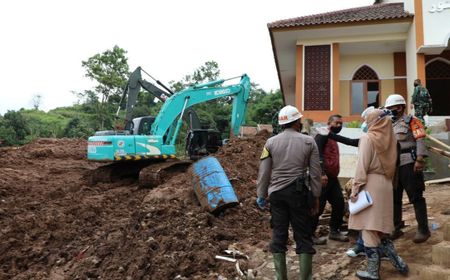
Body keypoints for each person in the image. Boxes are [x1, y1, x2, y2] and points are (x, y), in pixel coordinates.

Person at [256, 105, 321, 280]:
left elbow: (264, 172)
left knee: (279, 234)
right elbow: (315, 174)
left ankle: (280, 277)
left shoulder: (270, 142)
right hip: (298, 194)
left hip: (276, 195)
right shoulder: (309, 142)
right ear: (298, 122)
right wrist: (315, 196)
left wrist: (261, 195)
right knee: (303, 235)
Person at [349, 108, 408, 279]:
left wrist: (355, 189)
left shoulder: (368, 138)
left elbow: (362, 166)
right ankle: (399, 263)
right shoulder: (391, 140)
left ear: (373, 121)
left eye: (368, 120)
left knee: (368, 227)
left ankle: (373, 272)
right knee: (379, 228)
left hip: (370, 184)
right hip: (386, 185)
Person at [385, 94, 431, 243]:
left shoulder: (412, 121)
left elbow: (420, 139)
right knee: (394, 198)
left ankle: (423, 230)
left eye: (393, 107)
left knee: (416, 196)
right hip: (393, 165)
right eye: (389, 108)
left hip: (409, 163)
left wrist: (419, 159)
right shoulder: (388, 124)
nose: (391, 110)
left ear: (401, 107)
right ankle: (396, 227)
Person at [312, 114, 357, 243]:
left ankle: (334, 231)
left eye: (341, 123)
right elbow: (317, 154)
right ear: (329, 122)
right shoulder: (322, 134)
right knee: (318, 206)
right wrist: (321, 173)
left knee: (338, 203)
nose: (339, 126)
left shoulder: (331, 136)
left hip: (332, 178)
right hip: (323, 178)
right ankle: (309, 234)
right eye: (336, 123)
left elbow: (348, 141)